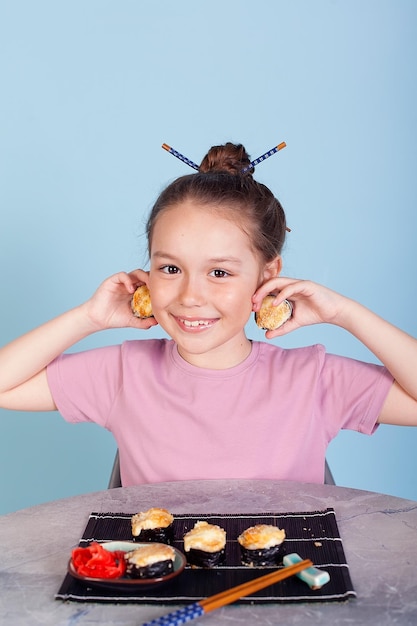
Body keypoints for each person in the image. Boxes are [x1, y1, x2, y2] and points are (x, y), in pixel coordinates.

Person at [1, 142, 417, 486]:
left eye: (219, 272)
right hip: (164, 584)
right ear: (147, 273)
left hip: (282, 584)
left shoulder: (312, 378)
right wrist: (88, 318)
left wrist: (346, 313)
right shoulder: (126, 373)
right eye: (170, 269)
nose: (191, 296)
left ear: (267, 274)